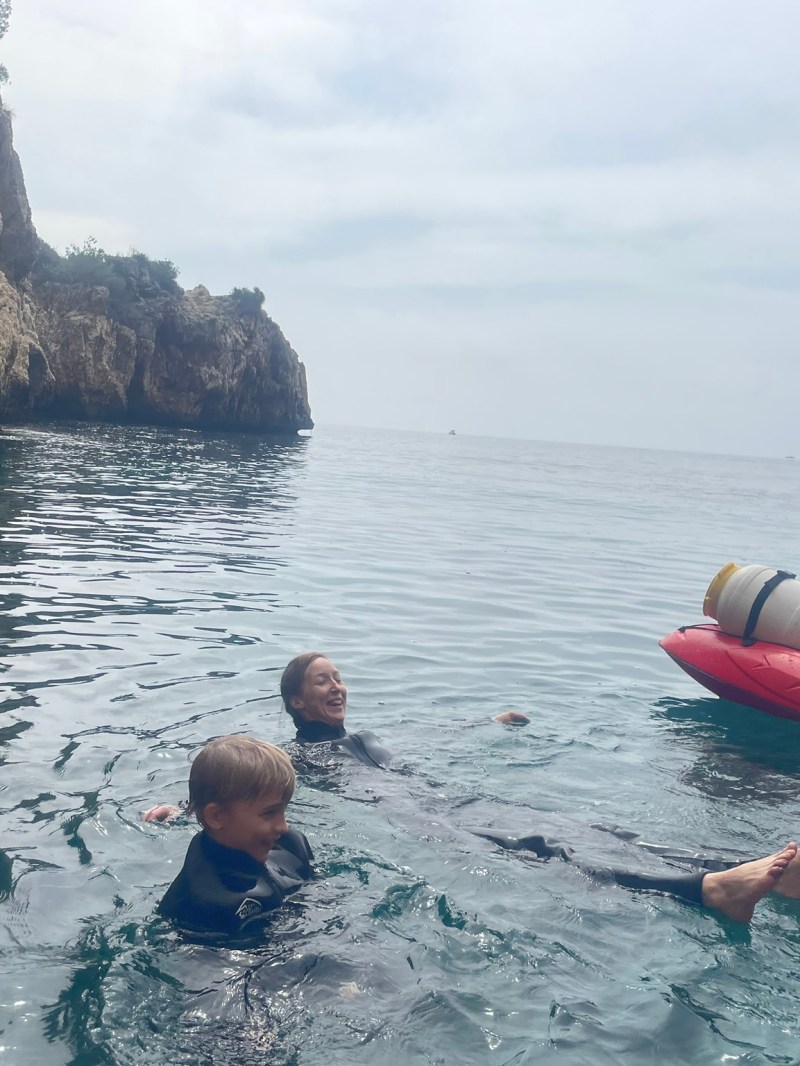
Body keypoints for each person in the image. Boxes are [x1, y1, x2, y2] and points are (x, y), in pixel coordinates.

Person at [157, 735, 314, 936]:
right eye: (269, 813)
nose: (283, 827)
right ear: (216, 816)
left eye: (284, 810)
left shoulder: (292, 844)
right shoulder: (206, 903)